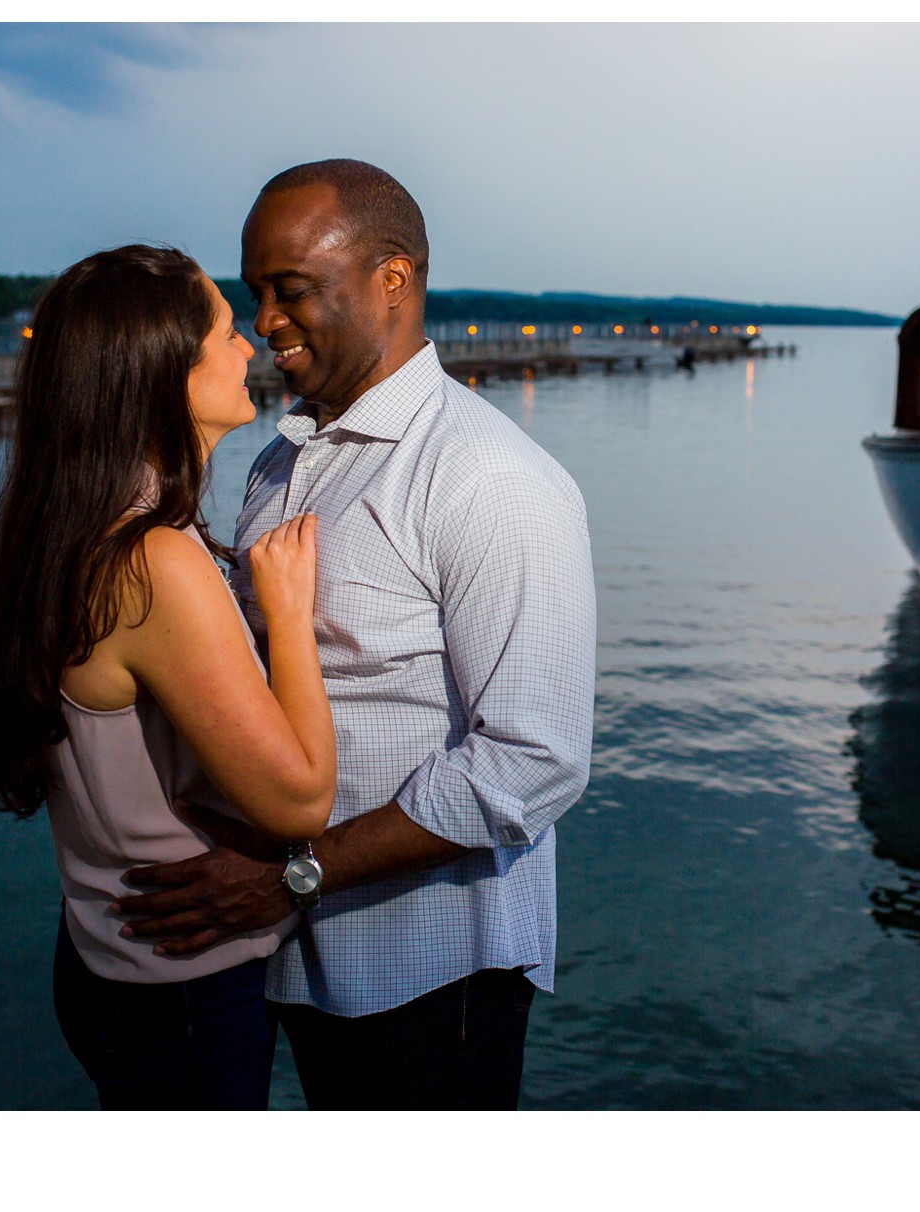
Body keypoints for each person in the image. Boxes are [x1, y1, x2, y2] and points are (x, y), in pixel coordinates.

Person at [113, 160, 597, 1109]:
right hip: (276, 957)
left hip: (425, 973)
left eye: (291, 290)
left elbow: (534, 763)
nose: (265, 322)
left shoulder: (486, 479)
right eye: (254, 294)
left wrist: (293, 876)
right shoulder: (281, 463)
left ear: (393, 278)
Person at [0, 244, 337, 1110]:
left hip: (102, 960)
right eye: (225, 329)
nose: (250, 344)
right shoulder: (154, 560)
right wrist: (290, 617)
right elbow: (300, 800)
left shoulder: (67, 529)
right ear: (165, 372)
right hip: (181, 990)